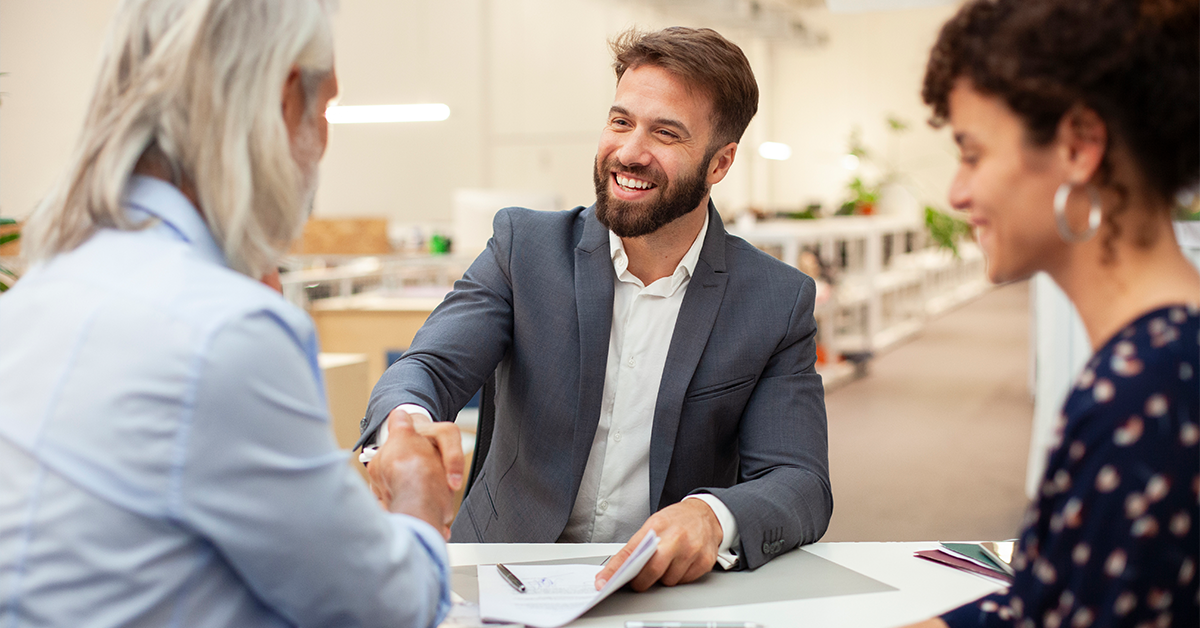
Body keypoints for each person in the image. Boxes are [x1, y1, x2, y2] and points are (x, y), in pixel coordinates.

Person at [0, 0, 461, 626]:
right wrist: (418, 498)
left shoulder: (42, 286)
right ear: (280, 103)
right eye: (324, 109)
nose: (322, 142)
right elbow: (385, 609)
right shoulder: (225, 331)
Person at [358, 26, 833, 591]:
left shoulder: (775, 300)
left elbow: (799, 479)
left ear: (719, 164)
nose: (630, 152)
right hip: (501, 570)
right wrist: (404, 431)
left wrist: (711, 515)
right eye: (621, 121)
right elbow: (428, 368)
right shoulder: (524, 249)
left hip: (658, 591)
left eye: (665, 133)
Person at [905, 0, 1199, 626]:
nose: (957, 193)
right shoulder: (1163, 359)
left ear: (1079, 145)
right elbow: (1050, 600)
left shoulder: (1144, 394)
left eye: (973, 153)